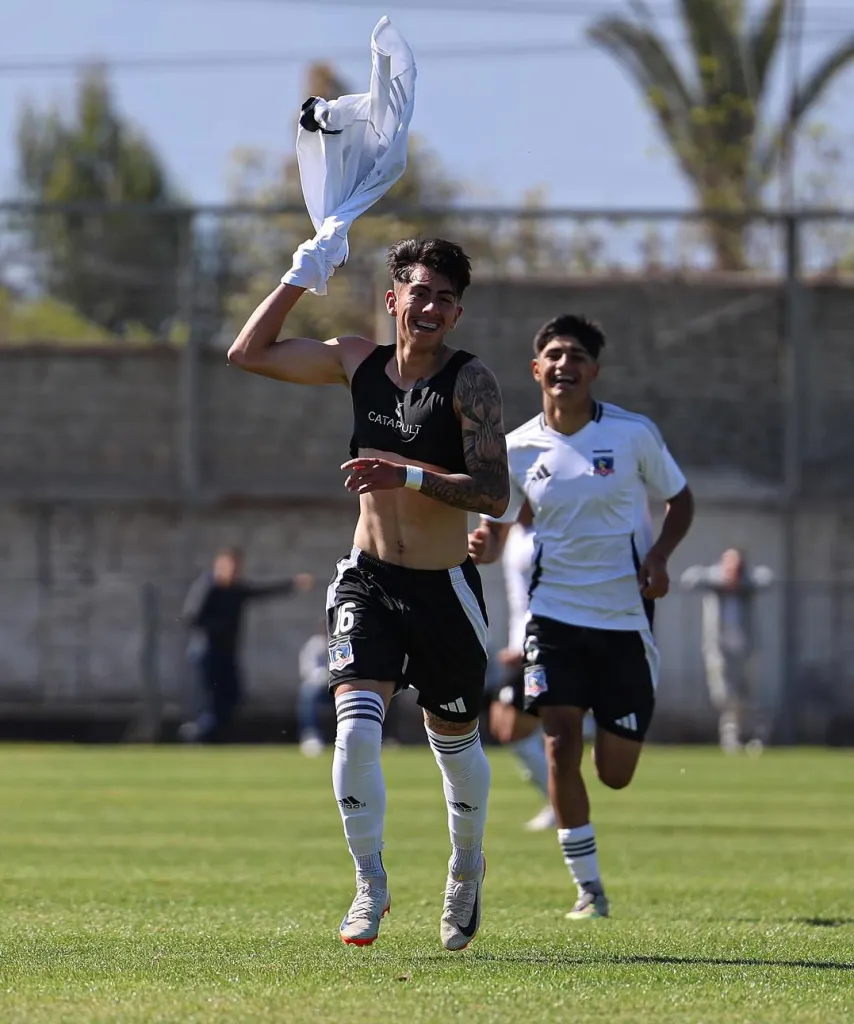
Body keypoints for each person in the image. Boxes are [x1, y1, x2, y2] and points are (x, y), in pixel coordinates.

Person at [227, 237, 509, 950]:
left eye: (445, 298)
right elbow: (248, 353)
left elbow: (493, 494)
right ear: (393, 300)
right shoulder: (357, 362)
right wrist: (302, 273)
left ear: (457, 313)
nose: (431, 307)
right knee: (355, 730)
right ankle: (369, 881)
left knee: (455, 747)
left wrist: (405, 474)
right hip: (369, 577)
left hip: (445, 590)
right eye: (420, 293)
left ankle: (466, 866)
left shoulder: (471, 382)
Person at [468, 314, 694, 921]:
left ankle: (604, 752)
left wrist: (659, 556)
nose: (564, 364)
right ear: (536, 369)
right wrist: (485, 545)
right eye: (554, 355)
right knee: (559, 742)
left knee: (614, 773)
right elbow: (497, 527)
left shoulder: (632, 434)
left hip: (624, 621)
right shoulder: (516, 448)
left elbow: (680, 499)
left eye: (575, 356)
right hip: (553, 620)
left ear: (593, 370)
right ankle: (589, 889)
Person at [180, 547, 315, 744]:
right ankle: (201, 736)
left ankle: (215, 736)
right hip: (207, 653)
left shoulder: (236, 590)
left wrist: (293, 584)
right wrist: (219, 626)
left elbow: (263, 591)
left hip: (227, 653)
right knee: (211, 699)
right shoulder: (208, 587)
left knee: (233, 695)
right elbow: (191, 617)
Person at [487, 504, 555, 832]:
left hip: (542, 643)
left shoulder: (549, 535)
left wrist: (526, 644)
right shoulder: (513, 531)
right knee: (503, 723)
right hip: (522, 645)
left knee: (514, 726)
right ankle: (558, 799)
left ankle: (561, 802)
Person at [681, 549, 774, 753]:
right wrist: (721, 579)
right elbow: (689, 579)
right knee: (723, 694)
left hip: (745, 647)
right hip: (719, 648)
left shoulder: (747, 585)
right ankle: (732, 736)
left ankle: (749, 736)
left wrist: (741, 581)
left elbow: (767, 578)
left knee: (747, 695)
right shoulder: (715, 581)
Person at [297, 622, 333, 757]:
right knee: (308, 692)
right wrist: (323, 676)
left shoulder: (344, 643)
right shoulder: (314, 645)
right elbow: (307, 670)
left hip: (339, 687)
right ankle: (311, 735)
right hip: (321, 688)